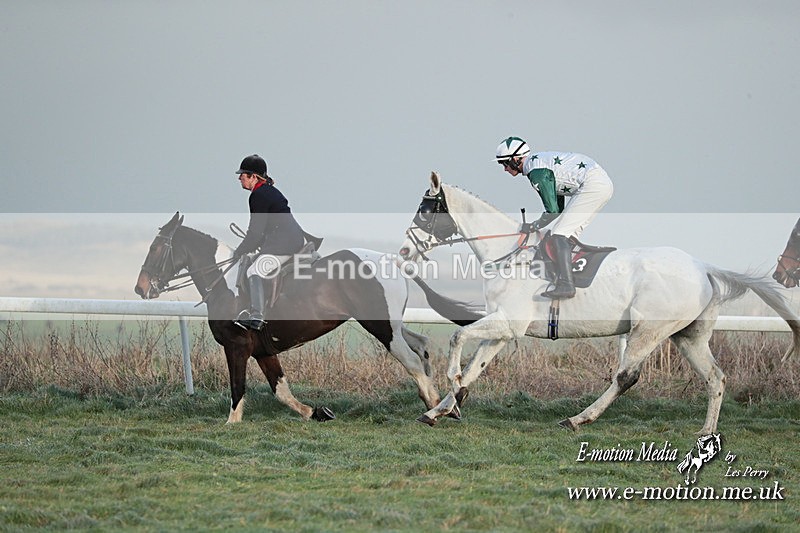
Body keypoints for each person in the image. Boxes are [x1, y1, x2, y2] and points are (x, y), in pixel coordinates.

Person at [495, 136, 614, 299]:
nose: (504, 169)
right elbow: (558, 208)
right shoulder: (538, 165)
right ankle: (571, 277)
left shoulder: (536, 172)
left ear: (516, 159)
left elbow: (552, 211)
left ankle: (566, 284)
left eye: (504, 163)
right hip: (598, 183)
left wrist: (534, 226)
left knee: (559, 235)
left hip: (593, 184)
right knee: (566, 235)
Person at [231, 154, 305, 330]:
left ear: (254, 177)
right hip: (286, 239)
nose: (239, 178)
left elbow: (254, 233)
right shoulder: (267, 191)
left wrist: (239, 251)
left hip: (284, 243)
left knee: (253, 271)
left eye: (243, 174)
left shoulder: (258, 195)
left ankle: (257, 315)